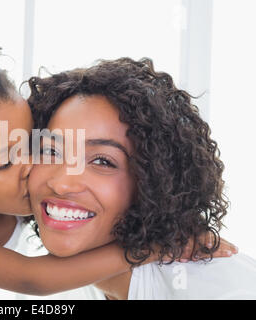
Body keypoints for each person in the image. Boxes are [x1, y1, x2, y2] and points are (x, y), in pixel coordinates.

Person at [0, 29, 235, 300]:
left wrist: (176, 226)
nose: (33, 168)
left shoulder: (13, 202)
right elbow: (32, 280)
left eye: (34, 145)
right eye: (5, 160)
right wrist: (158, 246)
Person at [27, 57, 256, 299]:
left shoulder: (219, 290)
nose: (61, 184)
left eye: (103, 161)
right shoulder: (70, 285)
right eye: (50, 152)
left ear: (154, 185)